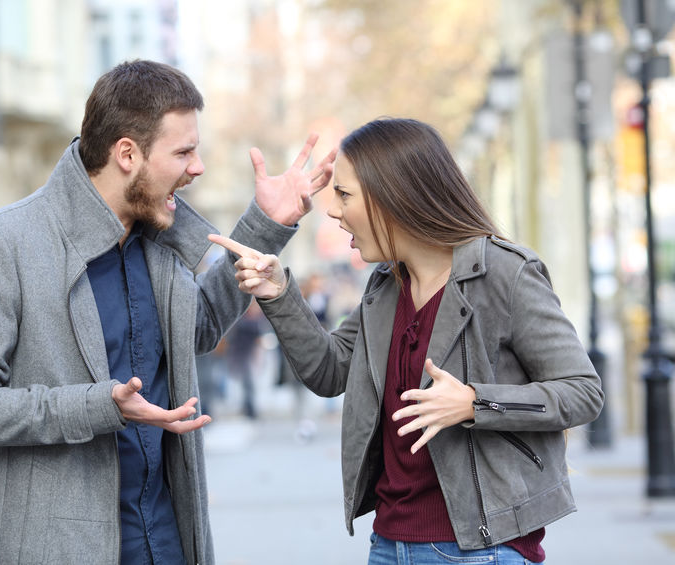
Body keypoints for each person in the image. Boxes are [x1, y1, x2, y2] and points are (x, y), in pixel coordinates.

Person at [0, 59, 335, 565]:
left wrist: (267, 225)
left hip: (164, 542)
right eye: (184, 151)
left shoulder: (155, 242)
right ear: (127, 153)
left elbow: (200, 327)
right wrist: (101, 406)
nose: (198, 167)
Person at [210, 117, 604, 565]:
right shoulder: (386, 284)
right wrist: (280, 292)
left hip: (483, 550)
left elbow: (582, 391)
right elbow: (329, 370)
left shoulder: (504, 273)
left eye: (343, 194)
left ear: (393, 195)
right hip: (389, 543)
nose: (333, 211)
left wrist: (475, 403)